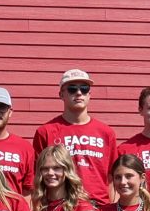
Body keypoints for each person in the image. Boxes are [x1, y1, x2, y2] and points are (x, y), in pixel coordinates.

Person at [35, 70, 119, 201]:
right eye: (72, 89)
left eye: (84, 89)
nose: (79, 93)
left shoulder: (106, 132)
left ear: (89, 94)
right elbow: (38, 176)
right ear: (61, 94)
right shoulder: (45, 132)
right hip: (60, 205)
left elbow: (113, 176)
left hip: (98, 207)